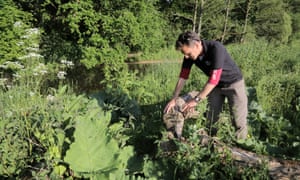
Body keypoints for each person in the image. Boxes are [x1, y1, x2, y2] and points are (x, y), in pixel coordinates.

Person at [163, 31, 248, 140]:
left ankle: (242, 149)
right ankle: (211, 146)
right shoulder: (189, 56)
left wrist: (196, 100)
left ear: (197, 45)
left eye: (188, 53)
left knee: (238, 121)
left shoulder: (216, 49)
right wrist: (174, 98)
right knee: (211, 119)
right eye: (184, 54)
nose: (186, 57)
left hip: (234, 84)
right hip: (216, 88)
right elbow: (183, 76)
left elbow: (213, 80)